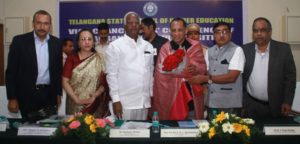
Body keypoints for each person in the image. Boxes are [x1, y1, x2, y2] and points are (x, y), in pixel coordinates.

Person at [5, 10, 62, 121]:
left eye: (46, 23)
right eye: (38, 23)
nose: (42, 26)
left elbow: (58, 71)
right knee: (29, 131)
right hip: (27, 95)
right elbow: (11, 72)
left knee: (49, 131)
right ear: (33, 24)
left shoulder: (57, 43)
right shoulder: (19, 41)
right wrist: (12, 98)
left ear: (50, 25)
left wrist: (58, 94)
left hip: (49, 96)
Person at [188, 22, 245, 118]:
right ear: (213, 35)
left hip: (230, 104)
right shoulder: (209, 51)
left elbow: (232, 77)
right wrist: (194, 71)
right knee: (211, 132)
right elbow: (205, 72)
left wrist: (205, 78)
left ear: (230, 34)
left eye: (225, 32)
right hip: (212, 103)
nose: (221, 35)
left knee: (229, 132)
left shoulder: (237, 50)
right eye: (218, 32)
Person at [153, 18, 206, 120]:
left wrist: (195, 69)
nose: (176, 33)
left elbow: (203, 67)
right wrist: (184, 71)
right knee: (172, 130)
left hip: (192, 96)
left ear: (185, 31)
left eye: (180, 30)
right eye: (174, 30)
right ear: (170, 32)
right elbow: (160, 74)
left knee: (192, 130)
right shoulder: (165, 48)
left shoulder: (195, 46)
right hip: (171, 98)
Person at [242, 17, 296, 118]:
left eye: (262, 30)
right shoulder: (245, 50)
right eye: (255, 30)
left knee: (273, 133)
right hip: (251, 105)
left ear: (270, 32)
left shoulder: (283, 49)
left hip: (277, 105)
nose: (258, 33)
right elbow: (240, 78)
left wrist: (287, 101)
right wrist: (243, 101)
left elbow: (290, 78)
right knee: (253, 133)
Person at [106, 12, 154, 120]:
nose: (133, 25)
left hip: (143, 102)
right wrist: (116, 100)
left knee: (143, 135)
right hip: (124, 104)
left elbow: (150, 72)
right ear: (124, 26)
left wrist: (151, 96)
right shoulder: (115, 46)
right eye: (130, 23)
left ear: (140, 26)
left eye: (136, 23)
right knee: (122, 136)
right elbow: (111, 75)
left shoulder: (148, 46)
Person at [62, 29, 110, 117]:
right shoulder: (72, 58)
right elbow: (65, 81)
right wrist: (76, 99)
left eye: (89, 39)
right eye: (83, 39)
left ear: (93, 42)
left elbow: (105, 82)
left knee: (96, 129)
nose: (87, 42)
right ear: (78, 43)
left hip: (95, 104)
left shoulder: (100, 58)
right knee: (75, 128)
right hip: (74, 104)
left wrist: (95, 95)